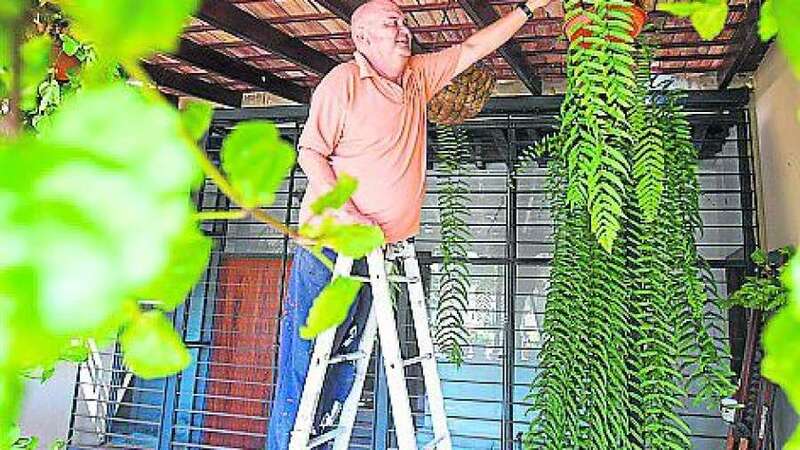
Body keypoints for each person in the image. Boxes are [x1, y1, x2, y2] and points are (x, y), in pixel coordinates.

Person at [266, 0, 553, 447]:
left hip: (381, 249)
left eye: (403, 21)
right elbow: (311, 153)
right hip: (333, 242)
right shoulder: (342, 82)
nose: (404, 30)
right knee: (308, 356)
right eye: (391, 23)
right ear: (362, 38)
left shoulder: (419, 76)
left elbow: (475, 47)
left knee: (345, 351)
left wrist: (528, 9)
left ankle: (321, 433)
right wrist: (347, 211)